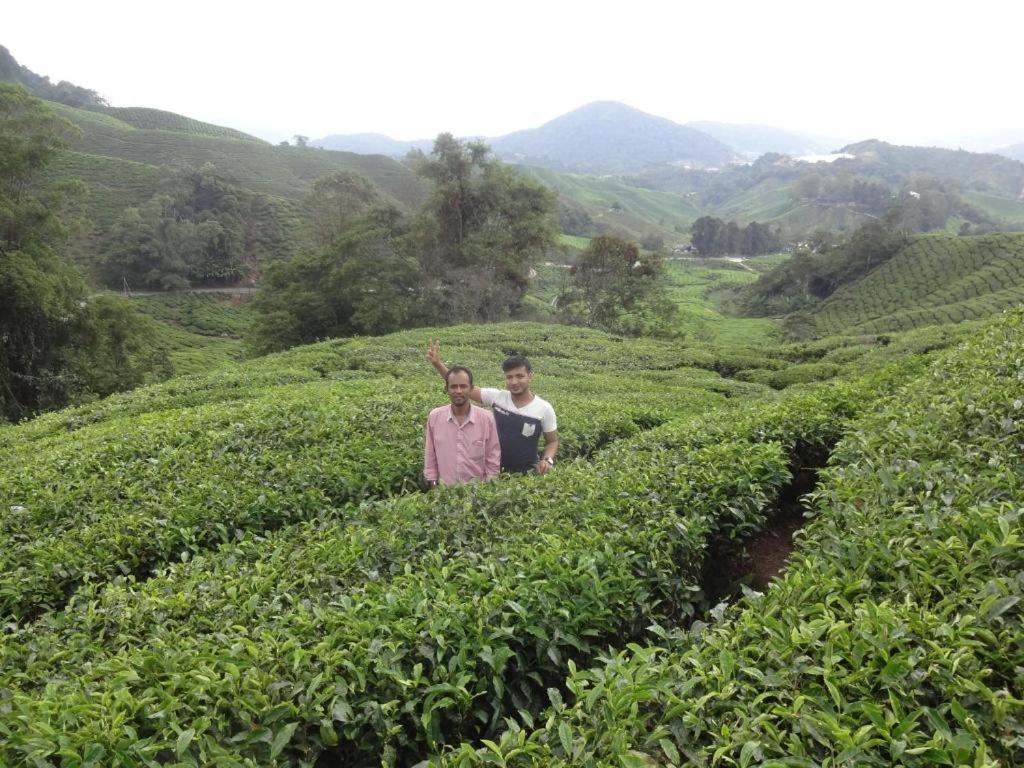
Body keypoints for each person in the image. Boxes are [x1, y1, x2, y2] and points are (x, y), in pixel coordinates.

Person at [426, 341, 558, 475]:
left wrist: (547, 460)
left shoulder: (544, 408)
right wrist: (438, 364)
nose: (514, 382)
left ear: (530, 376)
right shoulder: (498, 397)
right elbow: (463, 388)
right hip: (494, 472)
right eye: (509, 377)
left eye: (520, 376)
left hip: (527, 475)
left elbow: (552, 442)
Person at [423, 365, 501, 488]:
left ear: (471, 389)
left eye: (463, 386)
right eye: (453, 386)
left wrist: (489, 487)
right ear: (446, 389)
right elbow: (430, 454)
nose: (458, 391)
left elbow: (493, 455)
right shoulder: (435, 417)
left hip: (478, 492)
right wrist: (433, 484)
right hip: (445, 491)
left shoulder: (486, 418)